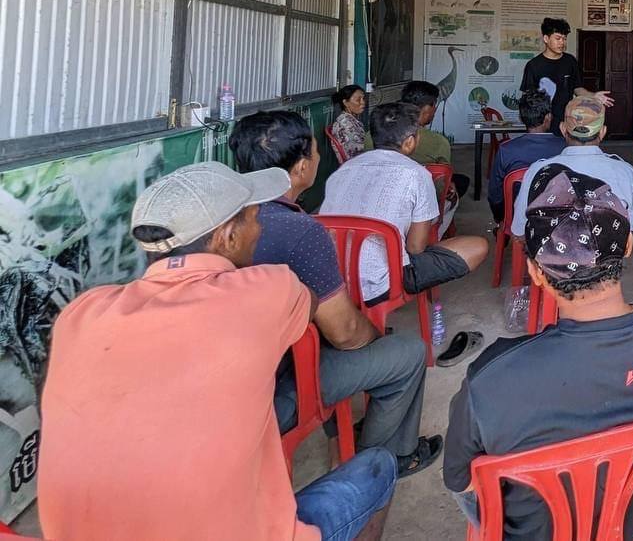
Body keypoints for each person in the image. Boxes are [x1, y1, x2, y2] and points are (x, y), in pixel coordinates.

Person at [38, 162, 398, 541]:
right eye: (255, 218)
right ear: (227, 235)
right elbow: (320, 311)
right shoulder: (267, 288)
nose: (261, 229)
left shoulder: (81, 313)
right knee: (379, 466)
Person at [444, 161, 633, 540]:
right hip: (626, 519)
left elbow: (460, 479)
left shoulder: (492, 379)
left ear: (536, 273)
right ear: (628, 245)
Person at [229, 111, 438, 475]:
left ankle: (346, 439)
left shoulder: (219, 225)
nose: (318, 158)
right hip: (275, 389)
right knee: (407, 352)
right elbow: (346, 334)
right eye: (314, 151)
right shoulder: (301, 230)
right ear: (301, 168)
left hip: (226, 384)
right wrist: (377, 339)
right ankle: (374, 468)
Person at [320, 101, 489, 312]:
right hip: (382, 284)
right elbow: (415, 248)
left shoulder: (343, 170)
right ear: (409, 142)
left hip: (331, 279)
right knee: (477, 246)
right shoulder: (417, 174)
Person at [510, 94, 633, 238]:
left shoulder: (538, 170)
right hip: (606, 251)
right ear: (602, 132)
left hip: (549, 251)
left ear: (563, 129)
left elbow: (519, 228)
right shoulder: (625, 172)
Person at [519, 17, 612, 133]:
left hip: (566, 121)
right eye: (558, 38)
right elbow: (528, 98)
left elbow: (577, 89)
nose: (562, 42)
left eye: (564, 39)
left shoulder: (570, 61)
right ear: (546, 38)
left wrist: (593, 96)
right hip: (542, 124)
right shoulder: (533, 65)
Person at [486, 89, 566, 223]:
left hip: (517, 218)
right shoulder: (565, 147)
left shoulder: (506, 150)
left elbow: (494, 195)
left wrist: (502, 219)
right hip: (556, 217)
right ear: (548, 117)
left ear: (521, 118)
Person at [400, 80, 470, 201]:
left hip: (383, 195)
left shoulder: (371, 136)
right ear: (427, 108)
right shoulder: (439, 142)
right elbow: (442, 182)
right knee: (461, 182)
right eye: (434, 105)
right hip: (423, 200)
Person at [331, 84, 367, 159]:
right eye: (358, 100)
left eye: (363, 99)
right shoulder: (346, 125)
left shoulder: (351, 120)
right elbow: (357, 153)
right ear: (345, 103)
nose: (363, 102)